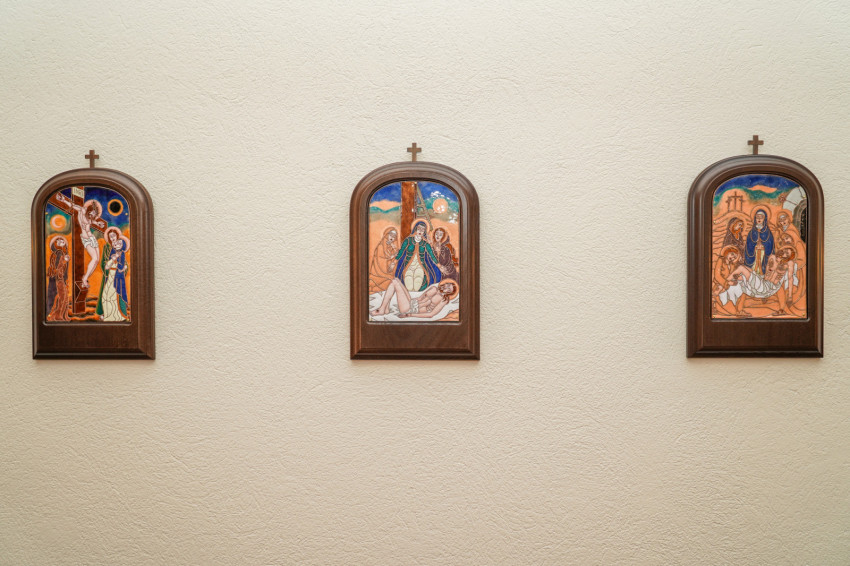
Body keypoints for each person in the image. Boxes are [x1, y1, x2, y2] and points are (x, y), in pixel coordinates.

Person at [371, 278, 458, 319]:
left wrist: (409, 315)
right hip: (412, 303)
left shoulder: (443, 300)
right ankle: (385, 308)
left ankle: (382, 309)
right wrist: (408, 299)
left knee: (394, 283)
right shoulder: (434, 288)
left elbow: (431, 314)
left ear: (450, 293)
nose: (446, 287)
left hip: (411, 309)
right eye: (447, 285)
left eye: (449, 289)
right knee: (396, 280)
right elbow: (420, 298)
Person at [394, 220, 441, 291]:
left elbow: (432, 255)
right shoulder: (408, 240)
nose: (420, 231)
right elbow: (401, 251)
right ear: (415, 229)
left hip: (420, 267)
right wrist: (394, 262)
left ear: (424, 232)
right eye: (419, 228)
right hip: (408, 266)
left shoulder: (425, 243)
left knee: (416, 287)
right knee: (409, 287)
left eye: (423, 230)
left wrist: (439, 265)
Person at [68, 199, 102, 288]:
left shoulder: (90, 218)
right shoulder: (83, 211)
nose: (94, 214)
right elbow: (74, 206)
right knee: (94, 258)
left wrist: (97, 223)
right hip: (86, 239)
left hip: (92, 238)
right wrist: (64, 201)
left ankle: (85, 279)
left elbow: (91, 222)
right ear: (89, 209)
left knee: (97, 260)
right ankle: (85, 278)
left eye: (95, 213)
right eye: (93, 212)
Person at [98, 235, 129, 321]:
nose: (116, 243)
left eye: (119, 243)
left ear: (122, 246)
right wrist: (112, 260)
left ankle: (116, 317)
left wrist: (123, 266)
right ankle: (107, 315)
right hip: (110, 277)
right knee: (105, 296)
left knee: (112, 297)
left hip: (117, 278)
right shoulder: (111, 252)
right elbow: (106, 267)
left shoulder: (122, 254)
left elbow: (121, 267)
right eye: (116, 243)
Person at [744, 208, 775, 275]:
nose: (759, 219)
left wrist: (764, 246)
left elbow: (770, 246)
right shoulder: (751, 232)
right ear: (755, 218)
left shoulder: (768, 232)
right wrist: (754, 246)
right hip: (754, 254)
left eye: (761, 217)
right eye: (757, 217)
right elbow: (748, 245)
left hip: (763, 254)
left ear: (764, 219)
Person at [46, 236, 70, 321]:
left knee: (64, 297)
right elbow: (58, 266)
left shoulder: (62, 253)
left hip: (60, 278)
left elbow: (64, 269)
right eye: (58, 240)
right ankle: (58, 315)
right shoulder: (58, 253)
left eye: (62, 240)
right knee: (62, 297)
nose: (60, 241)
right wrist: (64, 260)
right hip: (59, 278)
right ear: (55, 244)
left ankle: (63, 315)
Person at [368, 226, 399, 293]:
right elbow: (380, 259)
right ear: (387, 235)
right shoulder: (380, 246)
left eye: (394, 236)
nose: (392, 237)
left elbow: (396, 256)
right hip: (378, 273)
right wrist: (392, 256)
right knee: (390, 282)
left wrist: (394, 249)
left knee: (394, 281)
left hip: (388, 272)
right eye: (391, 235)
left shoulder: (391, 246)